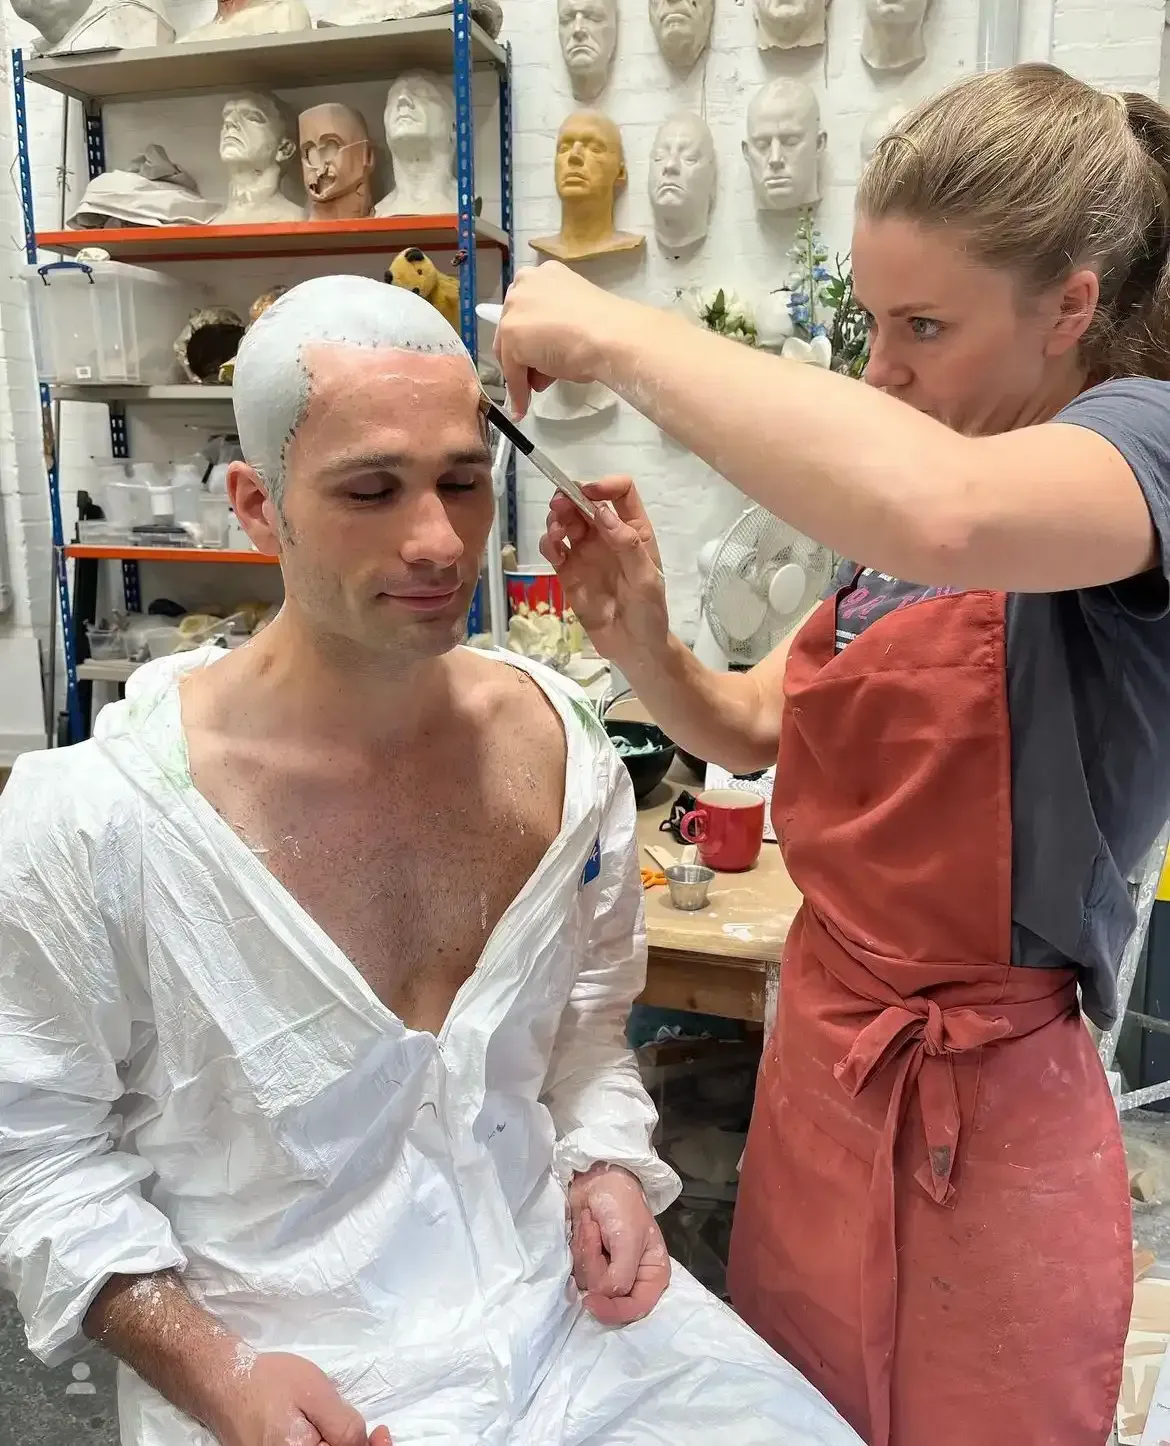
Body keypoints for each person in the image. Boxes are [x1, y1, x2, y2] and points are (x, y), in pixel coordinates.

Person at [0, 276, 861, 1446]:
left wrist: (604, 1167)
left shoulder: (560, 751)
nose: (438, 541)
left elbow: (586, 1041)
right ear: (259, 508)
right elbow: (41, 1156)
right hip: (295, 1378)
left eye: (463, 481)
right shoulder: (97, 824)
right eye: (370, 490)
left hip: (556, 1324)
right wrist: (215, 1372)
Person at [494, 62, 1170, 1446]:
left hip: (981, 1102)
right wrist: (642, 643)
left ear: (1071, 305)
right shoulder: (928, 475)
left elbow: (947, 516)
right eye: (871, 320)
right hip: (823, 1054)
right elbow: (752, 723)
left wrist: (616, 334)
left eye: (924, 324)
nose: (884, 369)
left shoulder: (1130, 453)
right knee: (793, 1408)